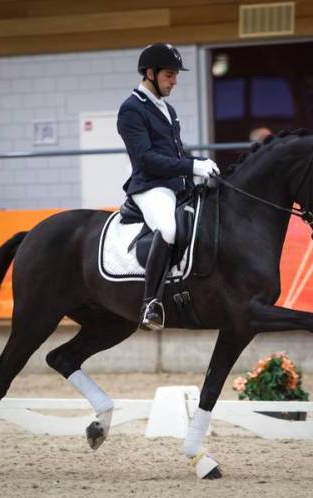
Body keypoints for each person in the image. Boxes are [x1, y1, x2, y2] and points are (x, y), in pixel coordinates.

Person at [117, 43, 219, 330]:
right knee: (168, 228)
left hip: (176, 184)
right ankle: (151, 303)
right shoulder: (131, 109)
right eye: (169, 75)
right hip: (150, 186)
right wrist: (191, 166)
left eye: (176, 75)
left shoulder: (168, 109)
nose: (174, 81)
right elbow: (146, 159)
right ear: (150, 73)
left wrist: (199, 164)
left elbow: (175, 152)